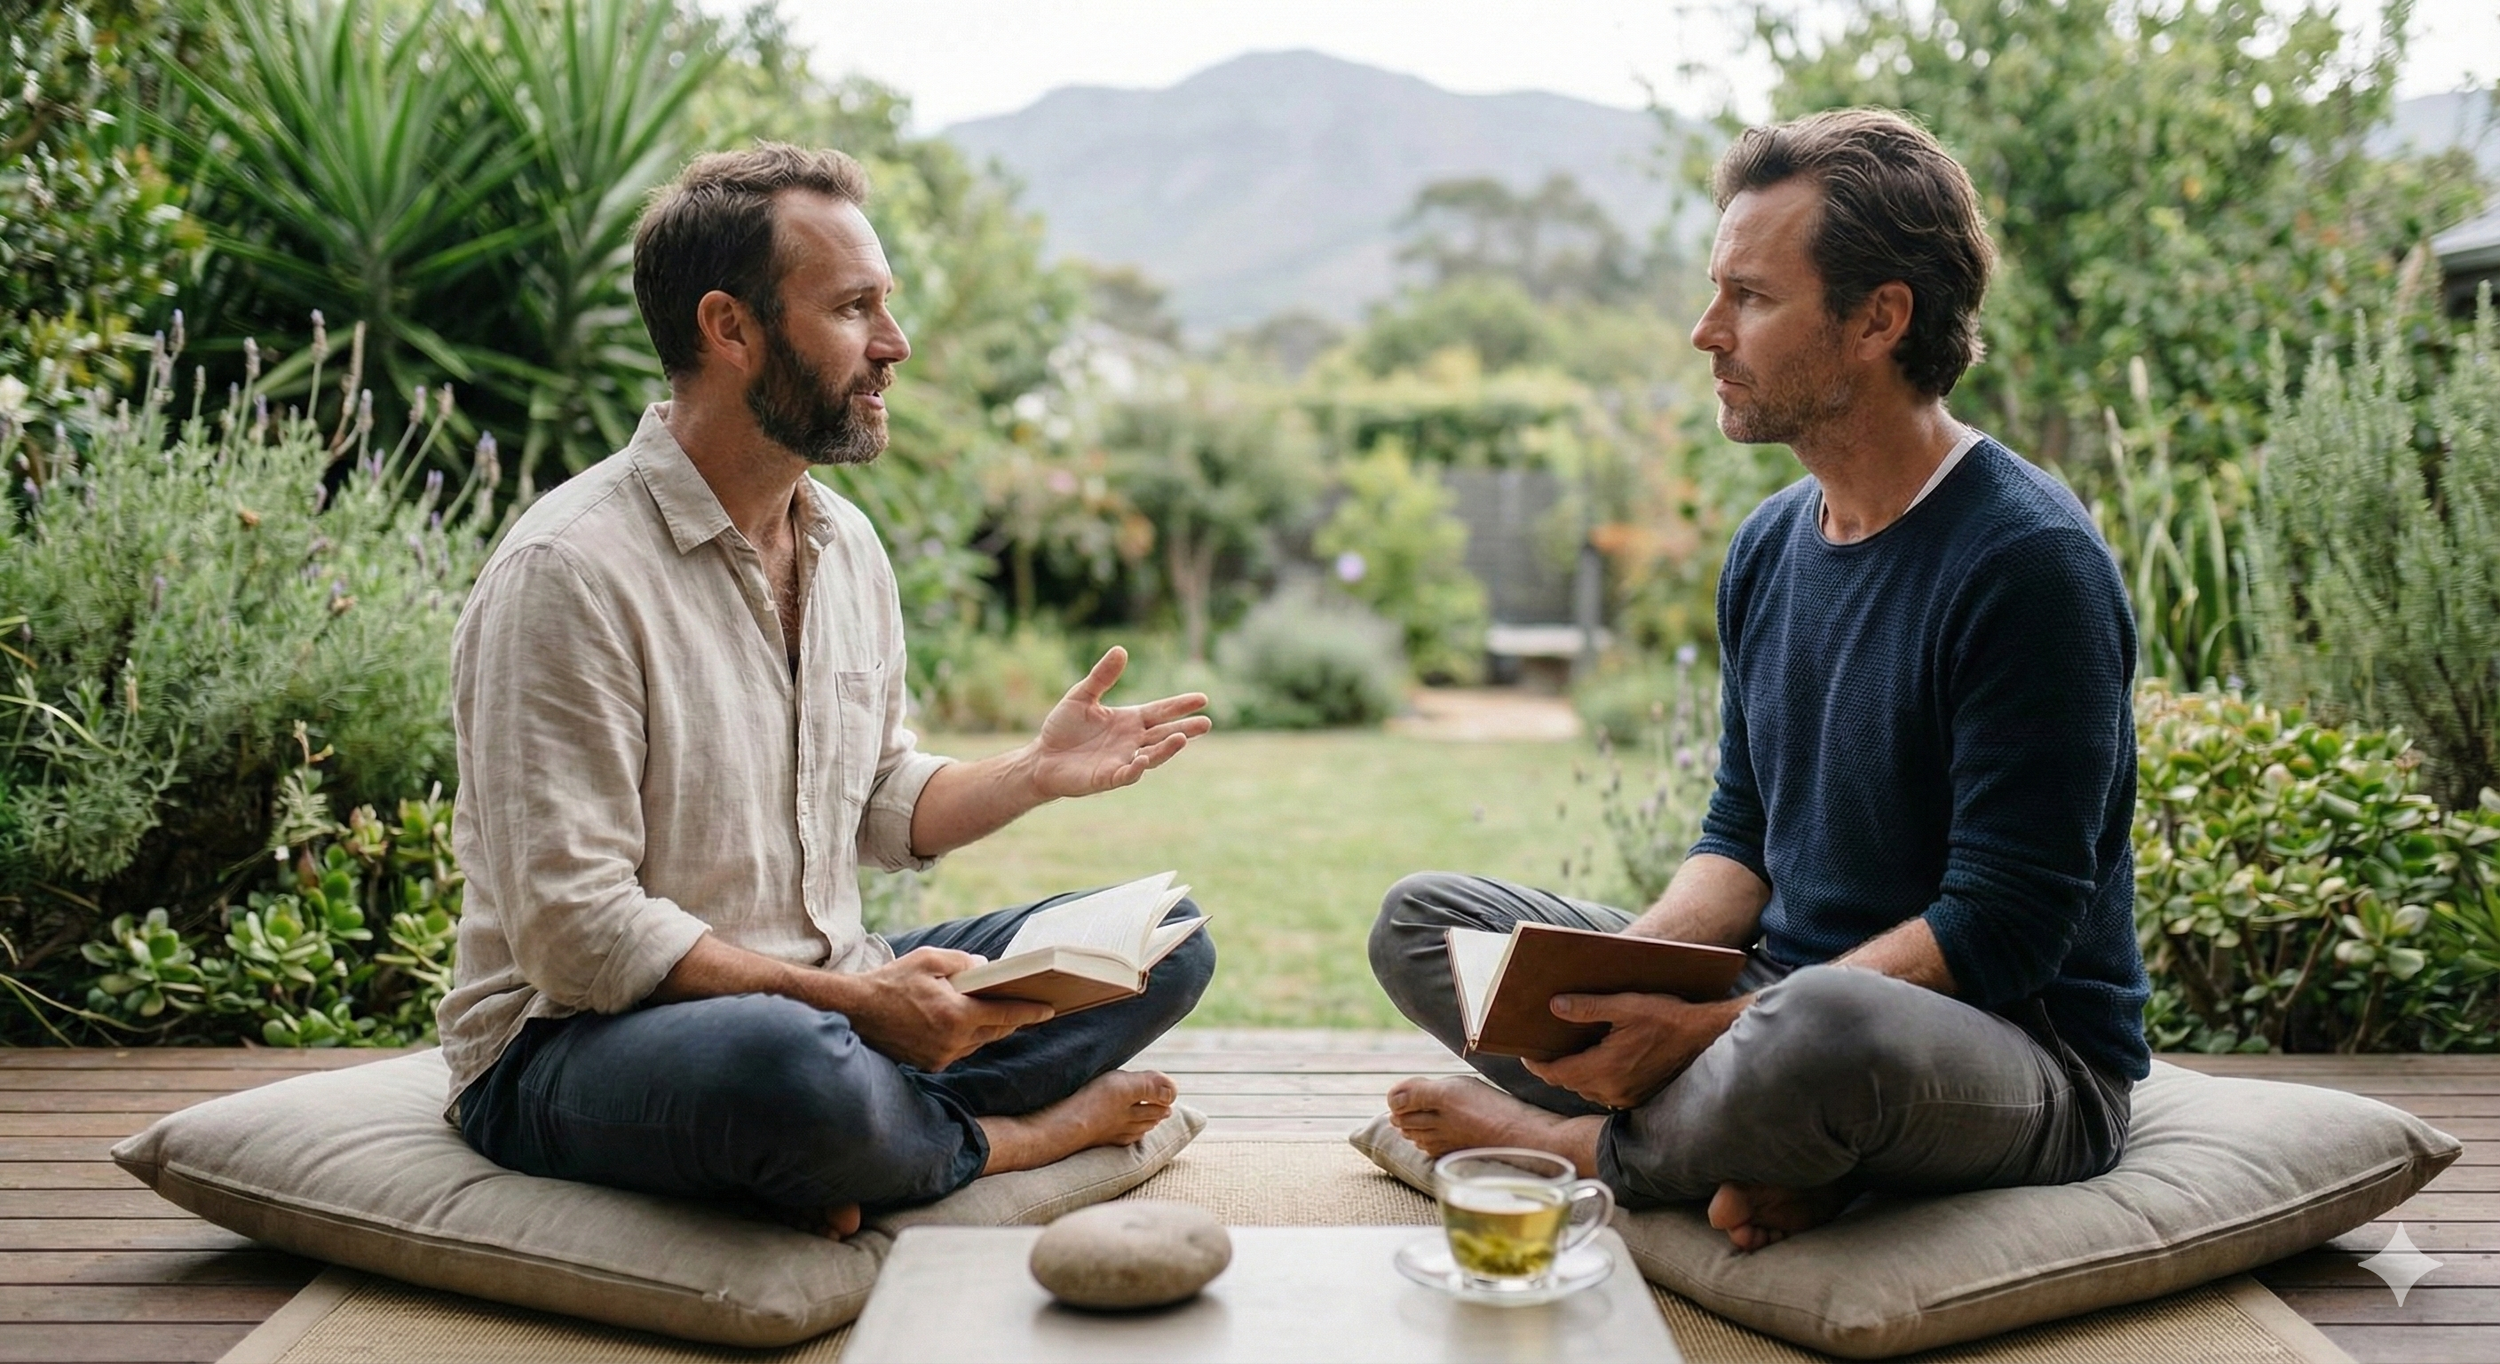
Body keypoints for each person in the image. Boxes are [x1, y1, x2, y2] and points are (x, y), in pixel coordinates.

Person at [1369, 109, 2149, 1253]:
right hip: (1776, 987)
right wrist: (1601, 988)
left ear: (1878, 317)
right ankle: (1776, 1147)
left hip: (2010, 1047)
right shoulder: (1772, 543)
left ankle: (1595, 1150)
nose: (1703, 332)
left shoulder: (2028, 564)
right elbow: (1741, 831)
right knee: (1427, 922)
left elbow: (2005, 925)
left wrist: (1700, 1033)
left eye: (1751, 297)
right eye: (1713, 290)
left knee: (1821, 1030)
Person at [437, 144, 1216, 1238]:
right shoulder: (566, 572)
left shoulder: (845, 545)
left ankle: (861, 1135)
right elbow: (575, 934)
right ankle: (1008, 1139)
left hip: (828, 997)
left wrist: (1033, 774)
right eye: (854, 309)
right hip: (577, 1044)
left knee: (1165, 936)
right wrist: (860, 1007)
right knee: (784, 1065)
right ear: (731, 328)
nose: (893, 347)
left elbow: (879, 796)